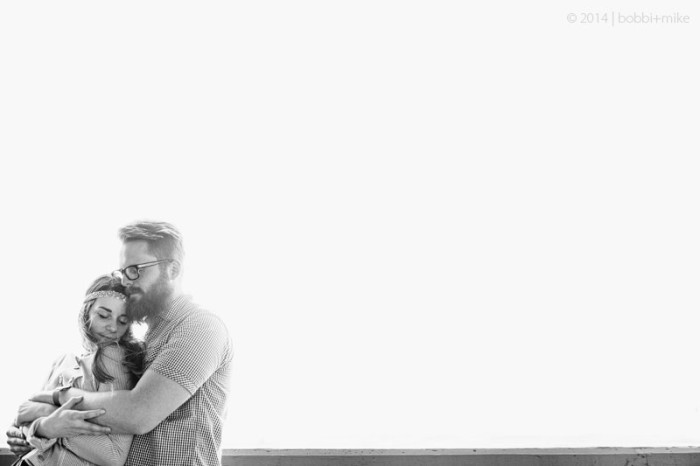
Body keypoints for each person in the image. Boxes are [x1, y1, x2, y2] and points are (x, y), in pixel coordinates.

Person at [16, 221, 233, 466]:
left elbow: (138, 413)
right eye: (124, 271)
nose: (126, 281)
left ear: (172, 270)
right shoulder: (147, 338)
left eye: (135, 270)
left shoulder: (200, 327)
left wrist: (54, 404)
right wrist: (37, 429)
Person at [7, 275, 145, 466]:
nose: (113, 327)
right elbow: (24, 418)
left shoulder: (115, 358)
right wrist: (24, 433)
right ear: (86, 311)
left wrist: (48, 420)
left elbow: (114, 455)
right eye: (103, 315)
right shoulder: (62, 360)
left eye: (123, 321)